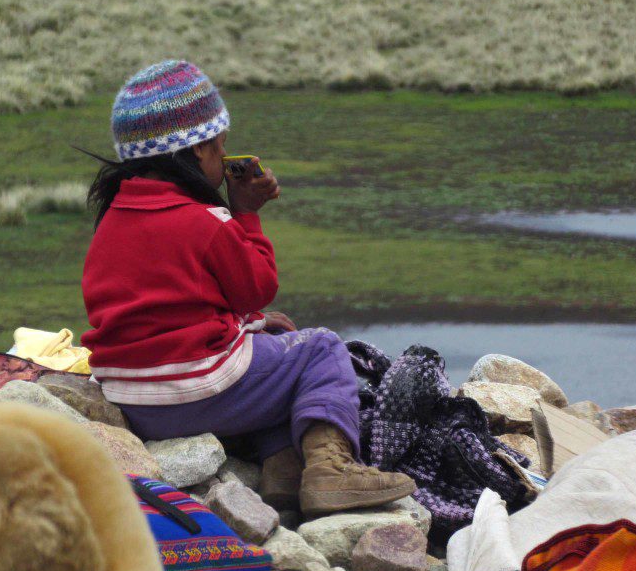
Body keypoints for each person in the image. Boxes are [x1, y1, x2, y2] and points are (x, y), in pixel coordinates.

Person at [80, 60, 415, 514]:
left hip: (134, 400)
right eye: (221, 147)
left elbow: (170, 306)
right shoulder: (207, 220)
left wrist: (249, 326)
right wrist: (247, 213)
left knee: (270, 344)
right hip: (196, 391)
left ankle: (282, 471)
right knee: (319, 350)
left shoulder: (111, 223)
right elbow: (257, 287)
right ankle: (331, 470)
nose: (224, 158)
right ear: (197, 151)